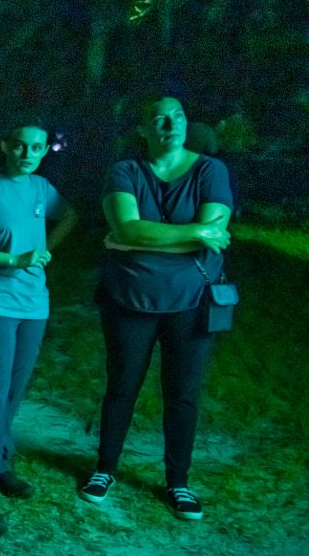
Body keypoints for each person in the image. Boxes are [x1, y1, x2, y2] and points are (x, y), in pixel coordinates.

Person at [80, 95, 233, 520]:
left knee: (182, 393)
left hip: (192, 302)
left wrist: (138, 237)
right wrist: (192, 233)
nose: (171, 124)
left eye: (179, 116)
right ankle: (104, 469)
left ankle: (178, 482)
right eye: (159, 119)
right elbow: (125, 225)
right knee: (122, 386)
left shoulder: (210, 170)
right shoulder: (126, 171)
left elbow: (215, 231)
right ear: (143, 129)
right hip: (129, 300)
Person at [0, 117, 78, 536]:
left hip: (34, 304)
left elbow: (69, 216)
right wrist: (12, 260)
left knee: (14, 391)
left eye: (37, 148)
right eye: (20, 145)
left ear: (45, 151)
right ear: (6, 145)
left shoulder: (42, 189)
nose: (28, 154)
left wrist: (46, 250)